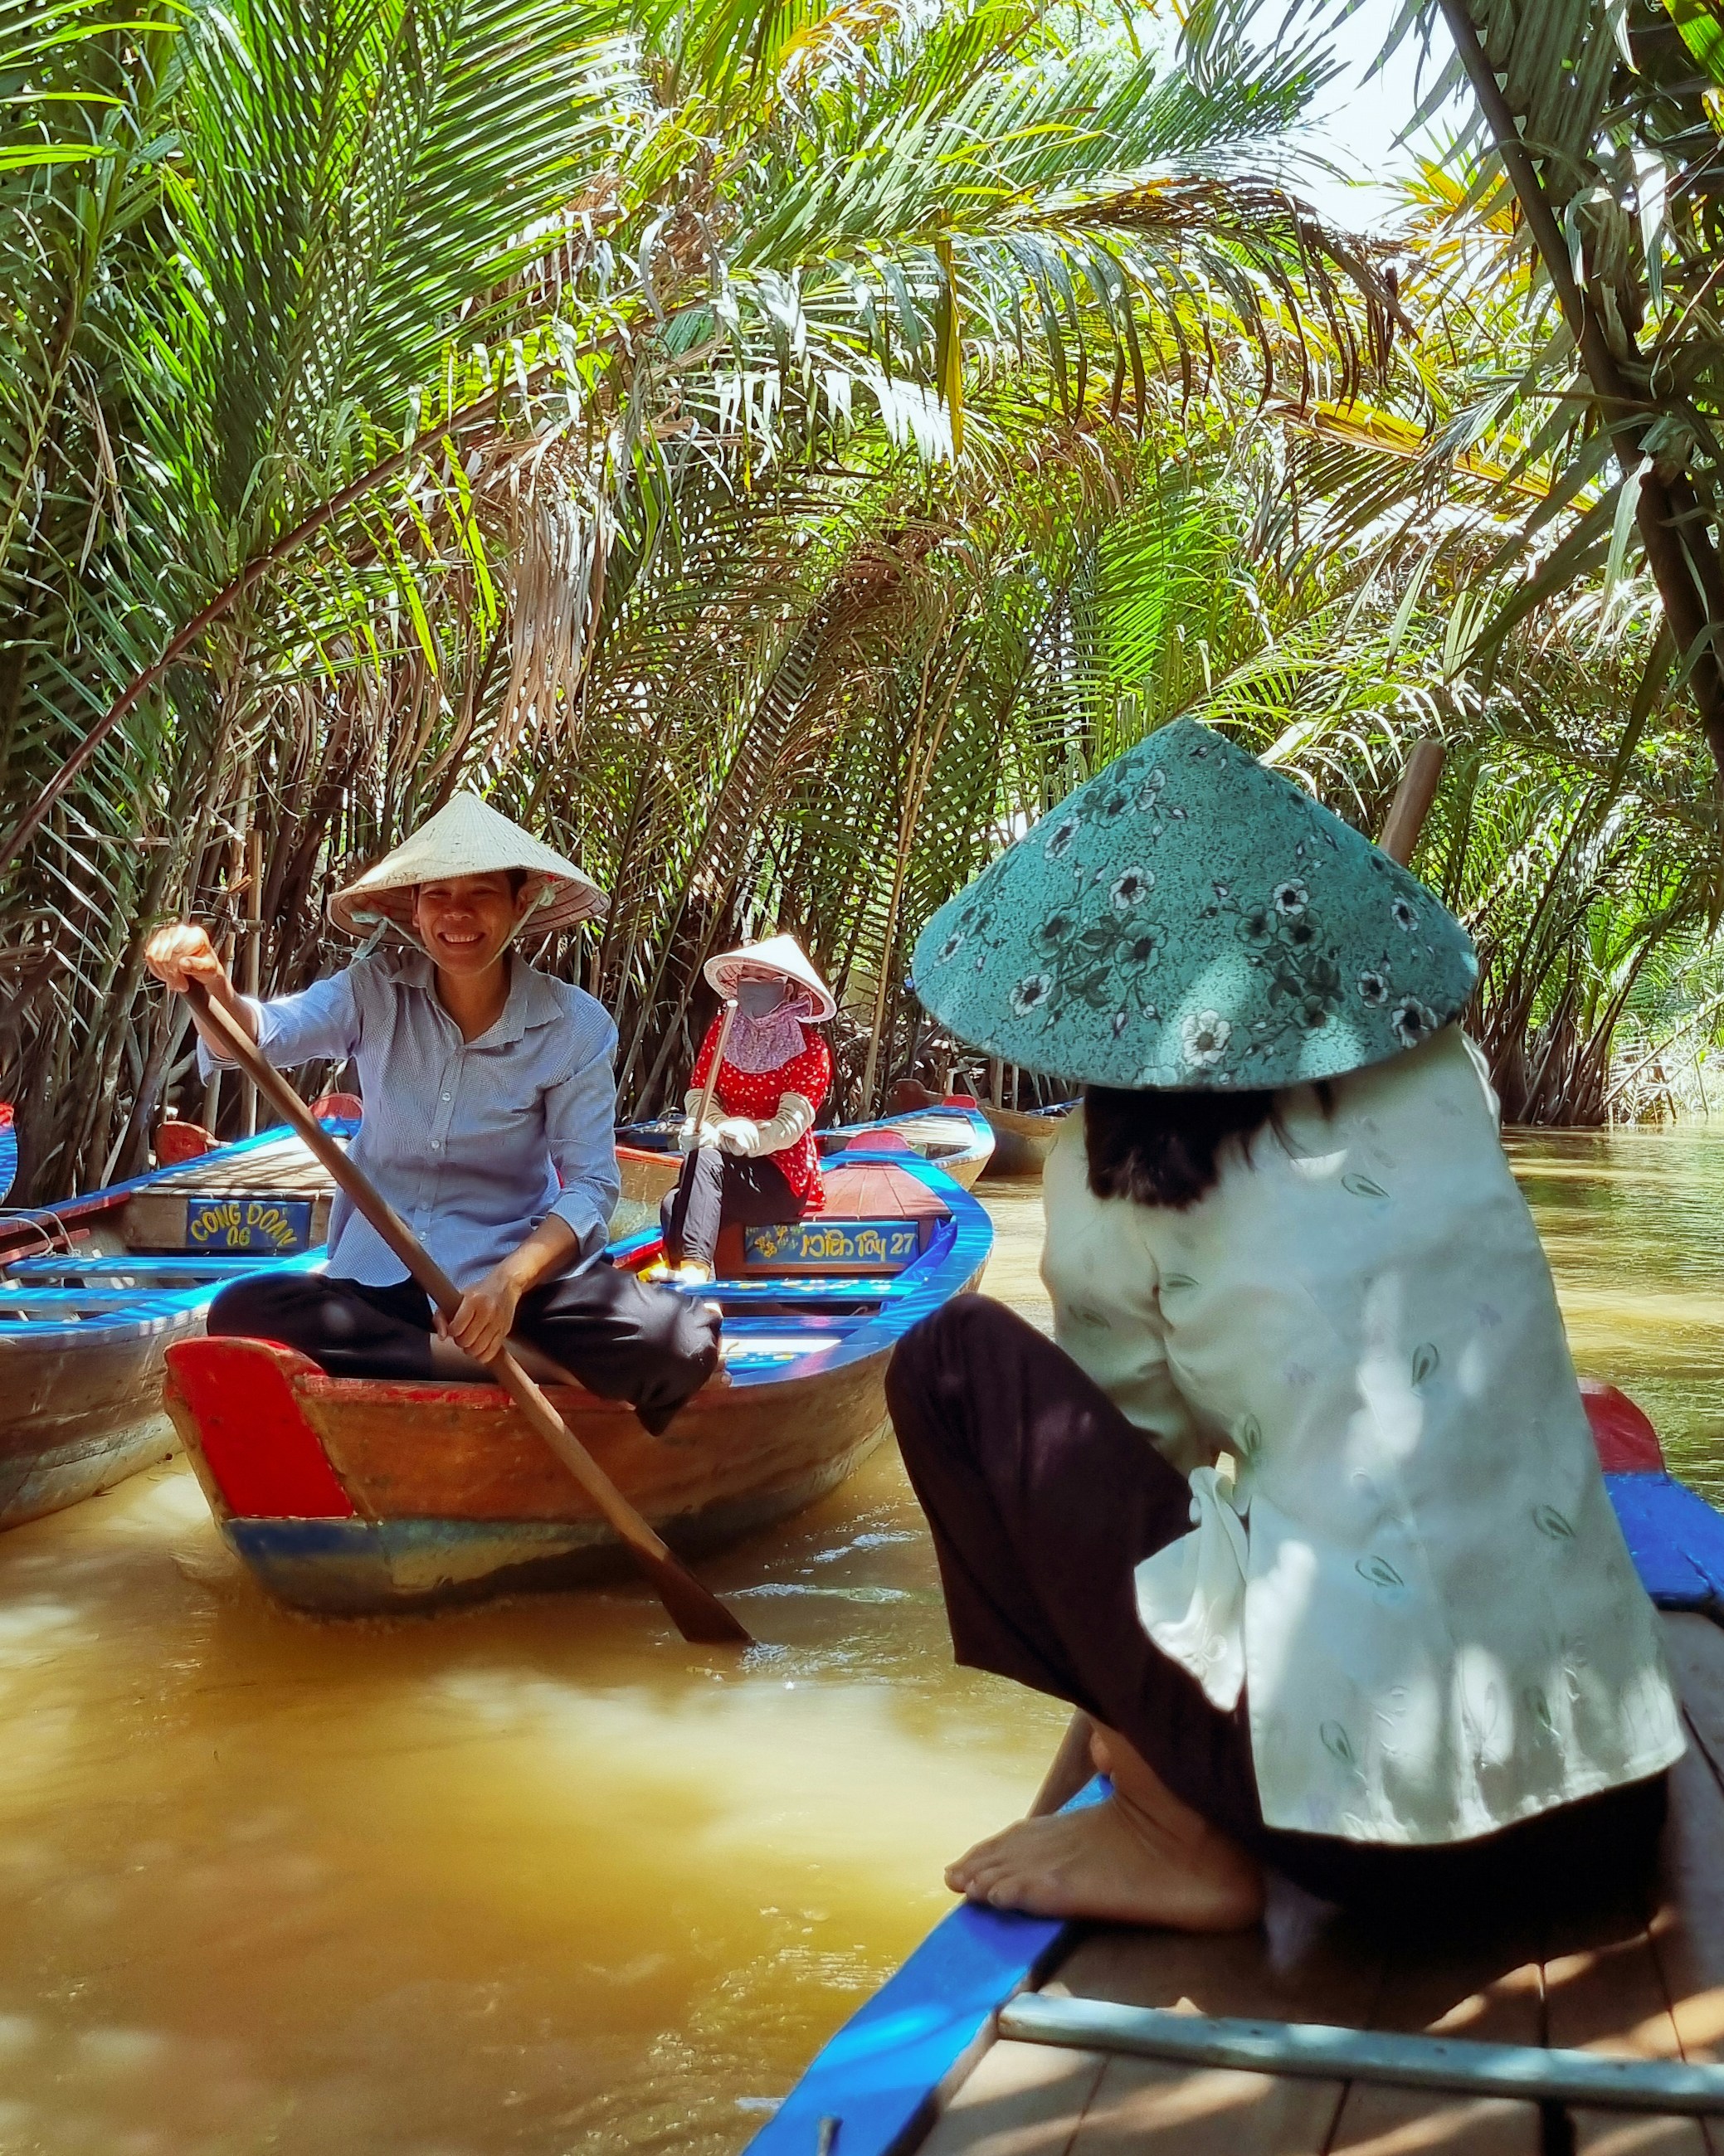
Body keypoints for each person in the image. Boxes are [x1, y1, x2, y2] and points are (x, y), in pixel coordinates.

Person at [889, 718, 1684, 1934]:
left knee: (950, 1363)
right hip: (1611, 1801)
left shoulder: (1110, 1171)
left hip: (1375, 1846)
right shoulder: (1445, 1079)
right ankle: (1161, 1807)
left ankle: (1171, 1833)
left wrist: (1129, 1744)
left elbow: (1131, 1466)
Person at [144, 792, 718, 1435]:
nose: (458, 915)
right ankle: (516, 1365)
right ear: (412, 911)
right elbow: (260, 1035)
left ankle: (485, 1350)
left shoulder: (574, 1025)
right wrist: (212, 988)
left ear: (521, 902)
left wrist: (507, 1286)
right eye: (438, 896)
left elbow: (590, 1186)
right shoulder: (372, 990)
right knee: (240, 1309)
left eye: (480, 894)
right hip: (384, 1288)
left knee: (684, 1341)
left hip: (515, 1287)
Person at [649, 935, 835, 1287]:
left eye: (763, 979)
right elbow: (702, 1092)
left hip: (780, 1175)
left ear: (790, 989)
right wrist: (712, 1127)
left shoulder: (811, 1048)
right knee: (674, 1204)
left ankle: (696, 1271)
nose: (753, 985)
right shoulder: (722, 1030)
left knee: (702, 1162)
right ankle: (705, 1299)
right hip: (721, 1163)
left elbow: (791, 1123)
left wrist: (749, 1136)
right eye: (747, 976)